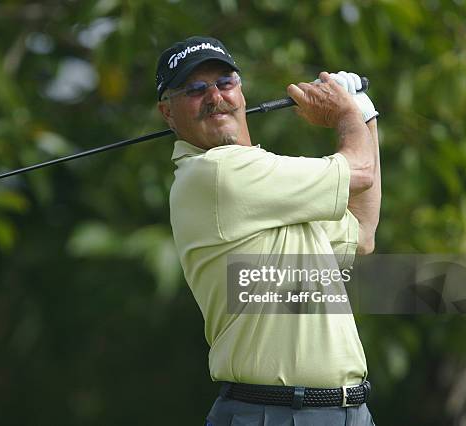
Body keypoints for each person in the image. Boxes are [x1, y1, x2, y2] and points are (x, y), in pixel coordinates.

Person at [156, 36, 381, 425]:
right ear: (168, 112)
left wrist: (364, 115)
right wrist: (347, 115)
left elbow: (362, 232)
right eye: (194, 89)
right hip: (270, 412)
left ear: (240, 91)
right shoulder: (215, 173)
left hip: (350, 412)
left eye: (224, 82)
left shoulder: (272, 187)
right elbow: (360, 173)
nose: (214, 97)